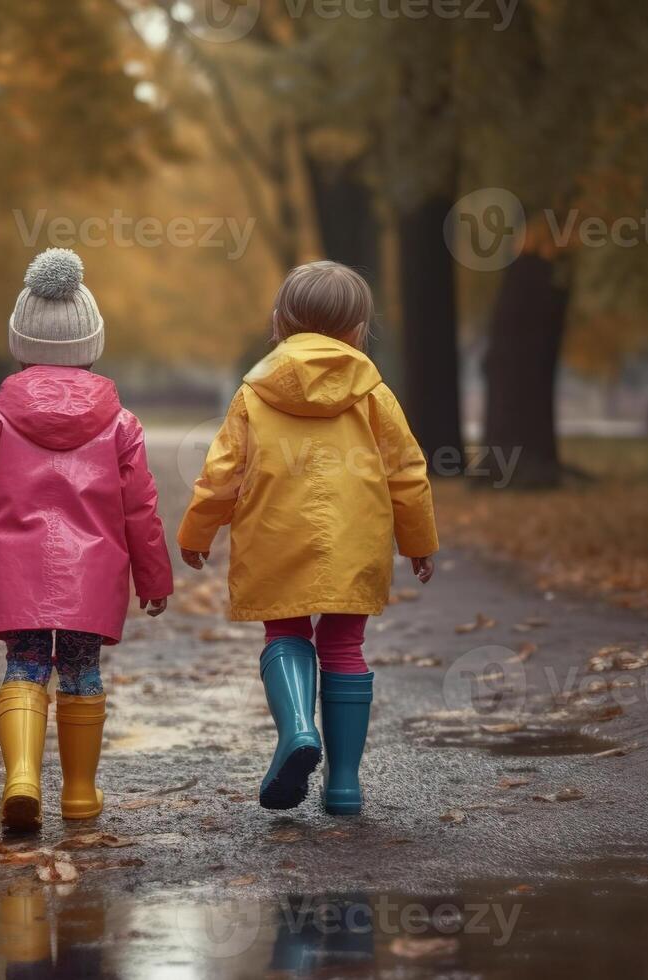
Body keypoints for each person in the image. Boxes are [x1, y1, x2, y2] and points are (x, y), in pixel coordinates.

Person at [178, 260, 438, 815]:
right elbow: (407, 471)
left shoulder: (255, 392)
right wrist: (418, 539)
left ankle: (297, 727)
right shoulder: (373, 393)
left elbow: (222, 471)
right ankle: (343, 785)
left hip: (275, 534)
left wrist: (197, 529)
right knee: (344, 645)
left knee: (286, 631)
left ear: (279, 323)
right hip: (354, 540)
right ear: (358, 331)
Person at [0, 248, 172, 832]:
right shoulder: (121, 423)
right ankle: (78, 794)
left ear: (21, 343)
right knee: (79, 669)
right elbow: (140, 508)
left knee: (24, 664)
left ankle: (21, 779)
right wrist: (153, 577)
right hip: (89, 575)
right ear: (91, 343)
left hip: (14, 573)